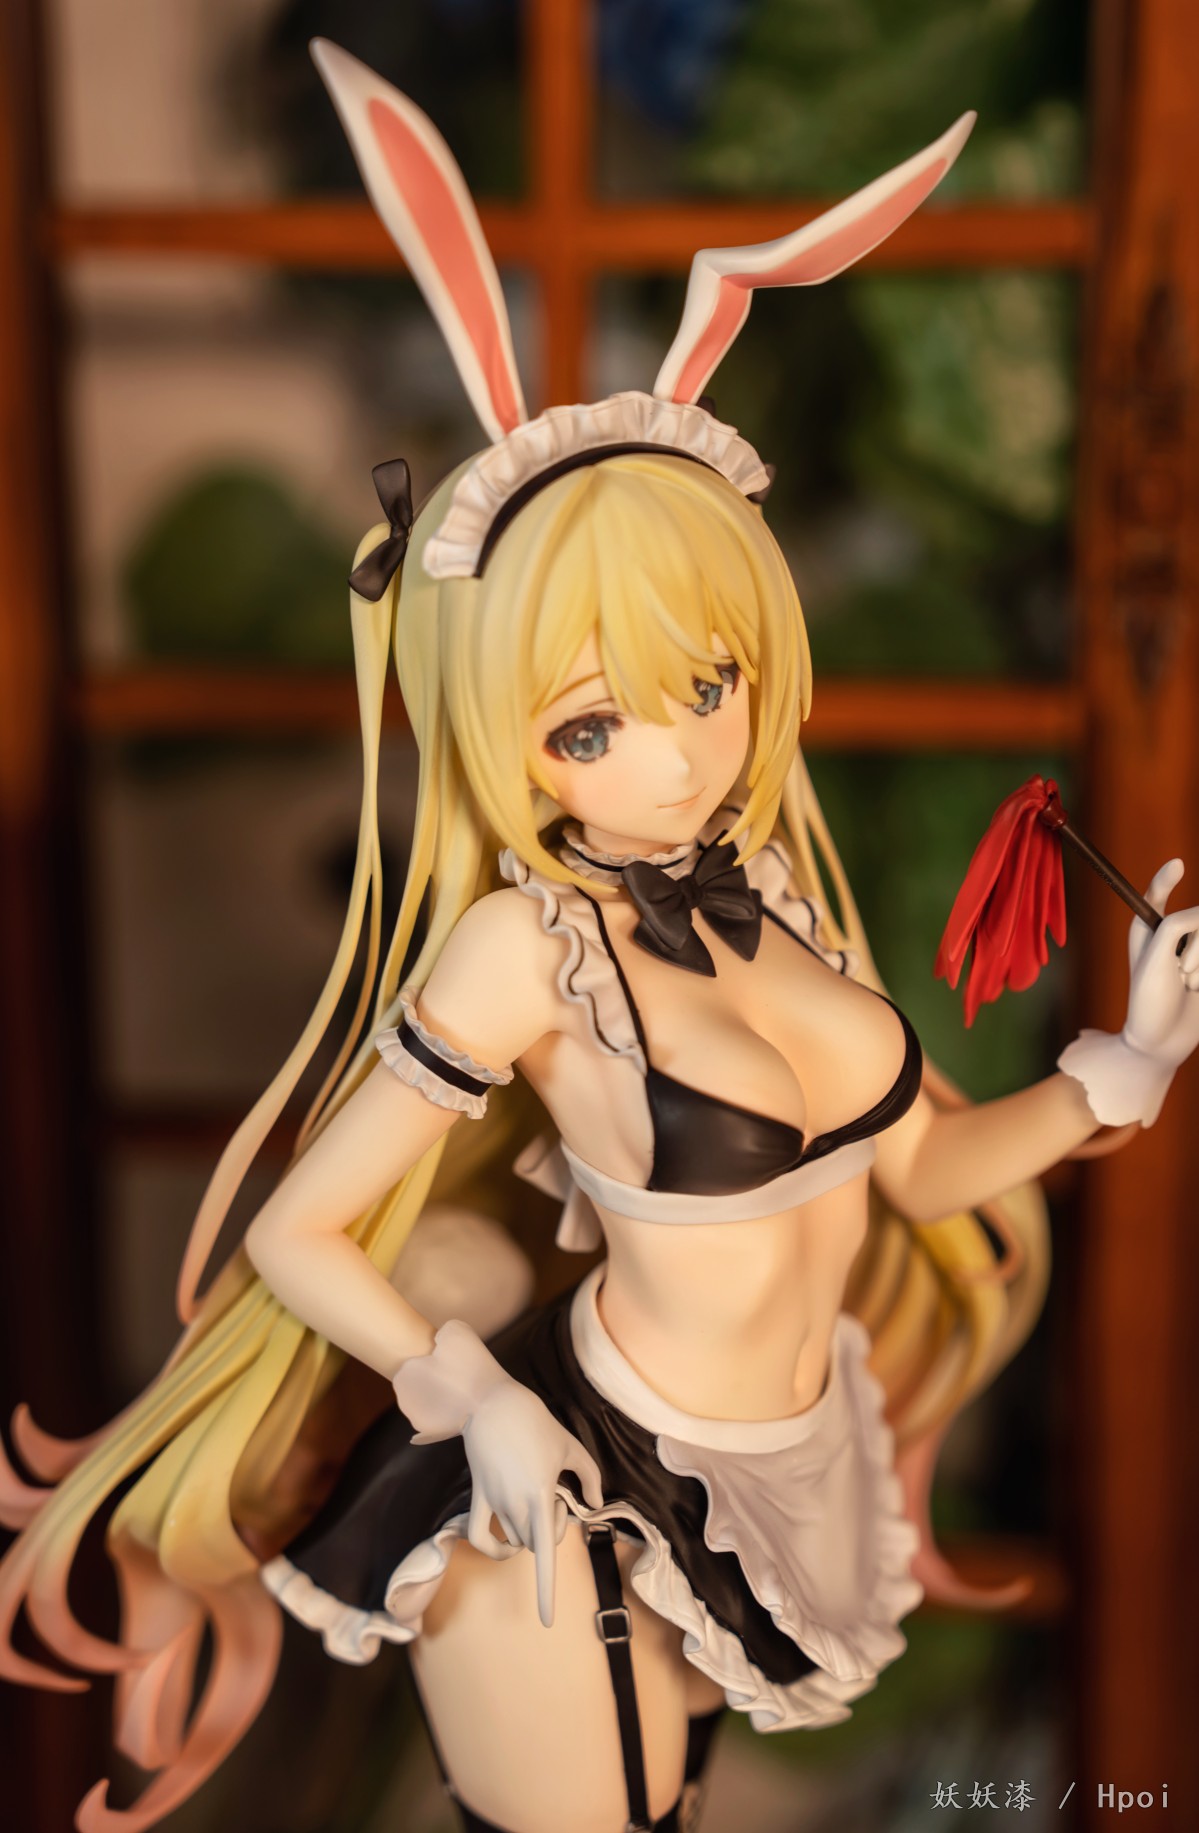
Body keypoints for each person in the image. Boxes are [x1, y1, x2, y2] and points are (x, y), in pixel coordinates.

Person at [4, 40, 1199, 1833]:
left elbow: (919, 1171)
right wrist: (465, 1394)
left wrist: (1117, 1075)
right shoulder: (526, 950)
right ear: (512, 738)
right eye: (592, 722)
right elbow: (301, 1229)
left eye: (708, 682)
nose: (679, 752)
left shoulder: (781, 896)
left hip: (787, 1476)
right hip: (559, 1498)